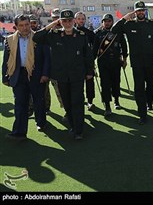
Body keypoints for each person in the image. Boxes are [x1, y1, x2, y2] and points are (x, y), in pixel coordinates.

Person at [33, 9, 94, 140]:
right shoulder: (54, 35)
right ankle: (73, 125)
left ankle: (79, 131)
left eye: (69, 20)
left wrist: (90, 72)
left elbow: (88, 55)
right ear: (60, 21)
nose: (67, 23)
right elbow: (36, 37)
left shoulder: (82, 35)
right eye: (64, 21)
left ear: (74, 21)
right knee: (67, 103)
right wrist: (52, 24)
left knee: (77, 102)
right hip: (61, 76)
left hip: (77, 75)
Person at [112, 1, 153, 125]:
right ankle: (142, 114)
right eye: (138, 11)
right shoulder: (129, 24)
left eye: (142, 10)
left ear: (145, 11)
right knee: (139, 87)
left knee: (151, 84)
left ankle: (149, 102)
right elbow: (115, 30)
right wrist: (125, 18)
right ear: (135, 12)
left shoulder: (151, 24)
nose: (141, 12)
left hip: (150, 60)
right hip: (137, 62)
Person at [2, 14, 50, 141]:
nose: (25, 28)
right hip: (18, 75)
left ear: (30, 24)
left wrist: (45, 74)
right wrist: (5, 77)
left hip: (36, 74)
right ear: (16, 26)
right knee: (20, 104)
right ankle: (19, 132)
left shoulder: (39, 38)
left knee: (38, 101)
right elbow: (6, 60)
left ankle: (41, 123)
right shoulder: (9, 40)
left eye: (27, 25)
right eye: (21, 25)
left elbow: (47, 58)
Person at [93, 13, 128, 116]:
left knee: (116, 82)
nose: (107, 23)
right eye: (105, 21)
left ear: (112, 22)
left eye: (109, 21)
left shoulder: (117, 32)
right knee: (105, 84)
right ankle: (107, 105)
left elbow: (124, 45)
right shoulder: (98, 34)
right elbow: (95, 49)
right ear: (102, 22)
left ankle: (116, 100)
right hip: (103, 62)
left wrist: (125, 58)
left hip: (116, 61)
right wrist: (92, 62)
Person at [75, 11, 96, 111]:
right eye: (79, 19)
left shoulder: (89, 33)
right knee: (77, 84)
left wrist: (92, 58)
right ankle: (79, 101)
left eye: (82, 19)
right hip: (75, 63)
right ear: (75, 20)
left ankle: (90, 101)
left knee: (90, 82)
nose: (81, 21)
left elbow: (95, 46)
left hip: (87, 62)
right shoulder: (71, 31)